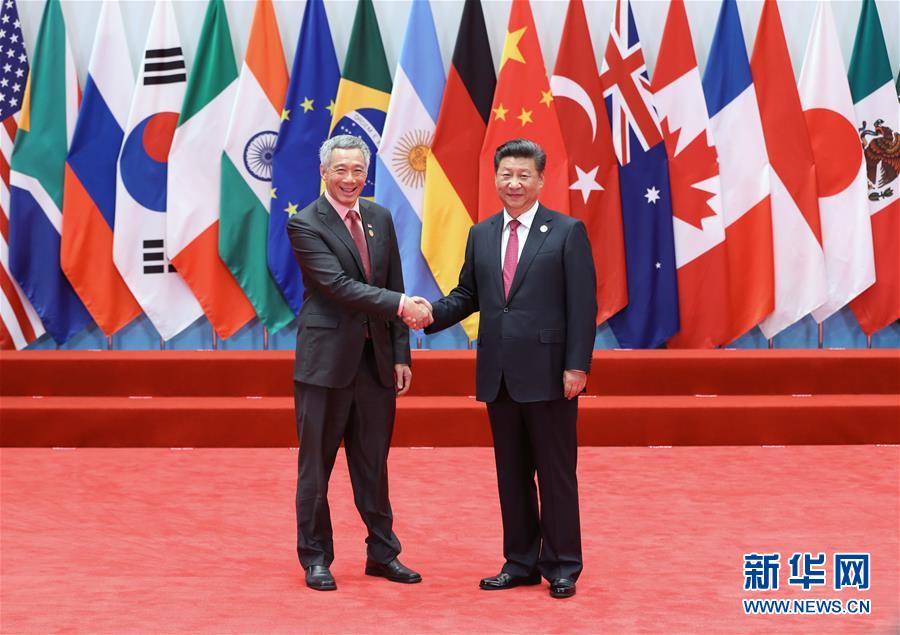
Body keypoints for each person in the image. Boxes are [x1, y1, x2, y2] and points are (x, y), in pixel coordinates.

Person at [414, 139, 597, 598]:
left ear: (540, 180)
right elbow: (468, 295)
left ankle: (562, 566)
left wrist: (577, 366)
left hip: (551, 374)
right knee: (511, 476)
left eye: (523, 175)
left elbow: (582, 305)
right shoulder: (482, 233)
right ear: (495, 177)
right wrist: (429, 314)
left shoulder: (567, 232)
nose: (514, 183)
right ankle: (520, 562)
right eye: (506, 174)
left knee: (555, 474)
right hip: (498, 375)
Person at [287, 134, 431, 591]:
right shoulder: (305, 223)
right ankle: (316, 557)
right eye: (340, 170)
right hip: (325, 364)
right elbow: (337, 286)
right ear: (323, 172)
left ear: (367, 174)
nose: (349, 179)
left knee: (374, 464)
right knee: (316, 467)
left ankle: (383, 553)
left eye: (357, 170)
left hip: (376, 363)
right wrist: (403, 305)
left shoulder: (379, 217)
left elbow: (393, 281)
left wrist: (401, 353)